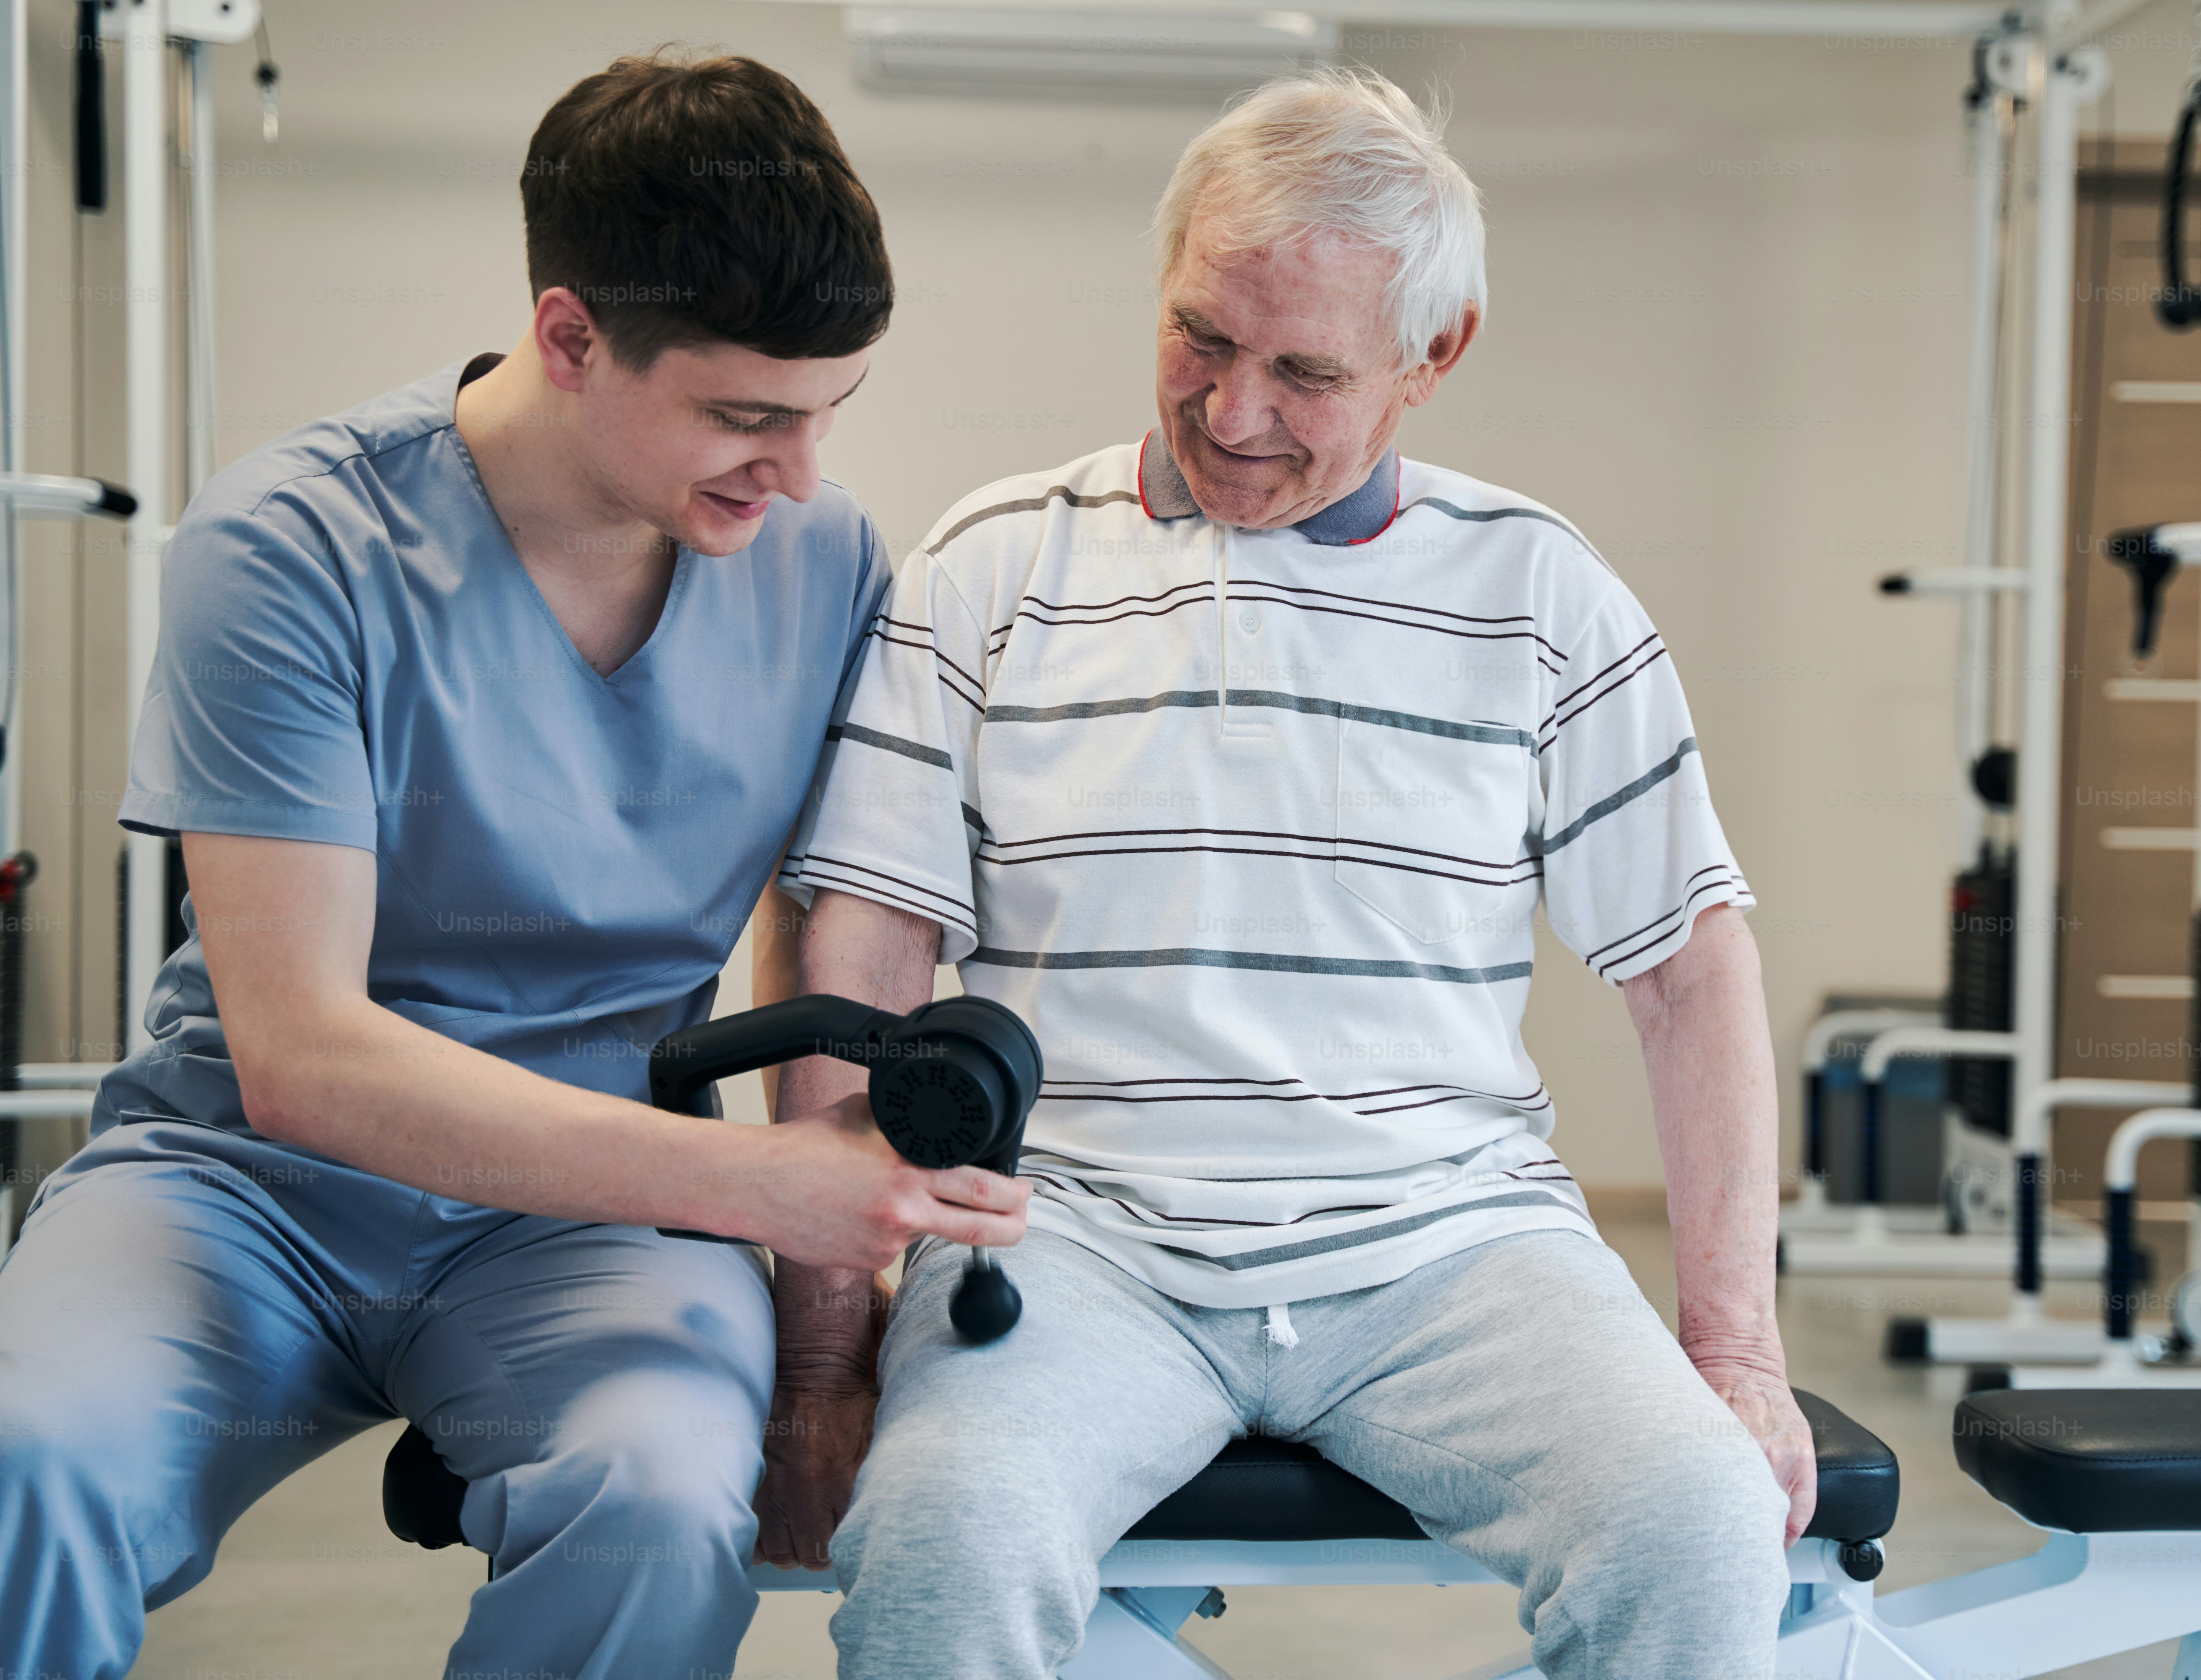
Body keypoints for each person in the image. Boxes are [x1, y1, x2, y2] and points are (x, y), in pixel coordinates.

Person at [758, 66, 1814, 1679]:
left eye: (1306, 369)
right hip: (1079, 1242)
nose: (1235, 411)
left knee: (1695, 1522)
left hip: (1451, 1250)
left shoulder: (1539, 593)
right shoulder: (990, 570)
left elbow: (1689, 970)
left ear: (1432, 357)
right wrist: (822, 1365)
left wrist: (1736, 1350)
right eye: (1202, 336)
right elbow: (865, 954)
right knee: (943, 1538)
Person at [0, 53, 1025, 1680]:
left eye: (832, 411)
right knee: (25, 1472)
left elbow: (825, 935)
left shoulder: (818, 559)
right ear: (569, 337)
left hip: (587, 1215)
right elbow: (304, 1061)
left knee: (661, 1495)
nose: (803, 474)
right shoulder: (290, 549)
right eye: (745, 414)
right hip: (246, 1191)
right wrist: (766, 1187)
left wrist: (822, 1311)